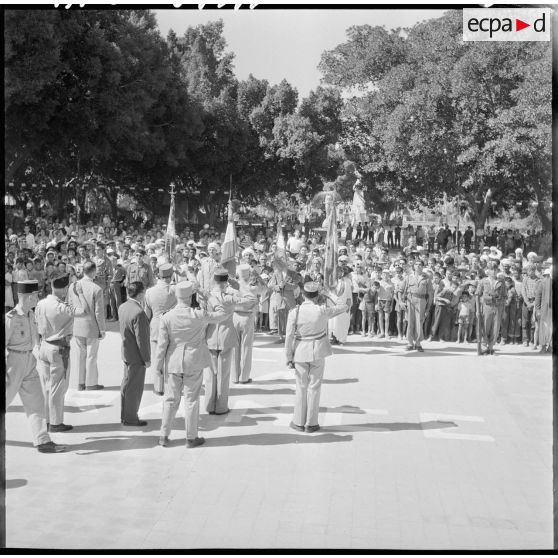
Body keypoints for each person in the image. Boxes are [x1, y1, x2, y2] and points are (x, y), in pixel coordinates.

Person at [155, 281, 229, 448]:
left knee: (170, 400)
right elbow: (222, 313)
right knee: (191, 400)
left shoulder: (166, 316)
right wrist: (209, 296)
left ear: (176, 296)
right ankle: (191, 437)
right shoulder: (198, 314)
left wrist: (158, 367)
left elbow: (161, 345)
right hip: (193, 361)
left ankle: (163, 435)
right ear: (191, 297)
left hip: (173, 362)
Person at [6, 280, 66, 453]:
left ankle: (42, 441)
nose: (37, 298)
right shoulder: (10, 318)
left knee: (37, 402)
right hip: (13, 363)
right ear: (27, 296)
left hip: (29, 361)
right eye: (35, 295)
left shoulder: (31, 315)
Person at [285, 282, 348, 432]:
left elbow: (288, 337)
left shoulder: (295, 311)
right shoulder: (322, 310)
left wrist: (288, 356)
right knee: (314, 387)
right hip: (318, 351)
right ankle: (311, 423)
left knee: (301, 387)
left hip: (300, 351)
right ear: (318, 295)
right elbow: (343, 306)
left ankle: (299, 422)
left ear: (303, 294)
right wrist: (330, 294)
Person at [35, 273, 89, 432]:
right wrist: (80, 293)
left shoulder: (41, 303)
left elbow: (36, 324)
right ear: (65, 289)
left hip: (44, 345)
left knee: (47, 387)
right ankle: (56, 423)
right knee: (58, 388)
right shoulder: (61, 306)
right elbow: (84, 311)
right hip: (59, 349)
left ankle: (47, 420)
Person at [67, 260, 106, 390]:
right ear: (94, 271)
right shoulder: (97, 288)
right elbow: (98, 312)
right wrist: (102, 329)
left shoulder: (73, 286)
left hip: (77, 324)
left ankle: (80, 382)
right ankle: (91, 383)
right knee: (91, 355)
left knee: (80, 355)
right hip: (92, 326)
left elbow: (69, 306)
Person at [118, 281, 151, 426]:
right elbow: (142, 340)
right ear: (140, 294)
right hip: (136, 355)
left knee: (126, 385)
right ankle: (130, 417)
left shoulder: (123, 306)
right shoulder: (139, 313)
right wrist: (147, 358)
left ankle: (125, 414)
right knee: (134, 388)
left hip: (126, 351)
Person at [144, 263, 177, 394]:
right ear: (171, 276)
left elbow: (147, 313)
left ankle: (158, 387)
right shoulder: (175, 289)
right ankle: (169, 386)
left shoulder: (149, 291)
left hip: (156, 325)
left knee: (157, 357)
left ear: (159, 276)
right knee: (170, 358)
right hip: (171, 326)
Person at [231, 263, 265, 384]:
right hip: (247, 317)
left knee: (235, 348)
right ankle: (244, 377)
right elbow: (265, 288)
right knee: (246, 348)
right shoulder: (252, 287)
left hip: (234, 316)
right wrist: (258, 276)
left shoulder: (232, 287)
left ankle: (234, 377)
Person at [477, 262, 507, 355]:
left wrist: (503, 309)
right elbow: (477, 295)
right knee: (485, 326)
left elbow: (505, 296)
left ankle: (491, 347)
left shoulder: (501, 282)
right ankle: (485, 345)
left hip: (498, 307)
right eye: (491, 269)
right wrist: (478, 310)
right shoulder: (483, 281)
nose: (493, 271)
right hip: (487, 307)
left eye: (495, 269)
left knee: (496, 327)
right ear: (488, 271)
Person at [401, 261, 432, 351]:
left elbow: (430, 293)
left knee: (419, 321)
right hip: (410, 299)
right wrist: (401, 302)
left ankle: (418, 343)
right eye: (416, 264)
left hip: (421, 300)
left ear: (422, 267)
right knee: (410, 321)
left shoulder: (427, 278)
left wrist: (428, 308)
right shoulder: (408, 277)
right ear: (414, 266)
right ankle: (410, 343)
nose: (418, 266)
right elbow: (402, 290)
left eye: (420, 265)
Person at [535, 260, 552, 353]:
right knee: (543, 328)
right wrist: (537, 310)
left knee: (551, 328)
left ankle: (550, 346)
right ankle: (543, 346)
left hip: (552, 310)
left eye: (548, 276)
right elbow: (537, 298)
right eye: (546, 276)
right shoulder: (541, 283)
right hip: (543, 309)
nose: (547, 278)